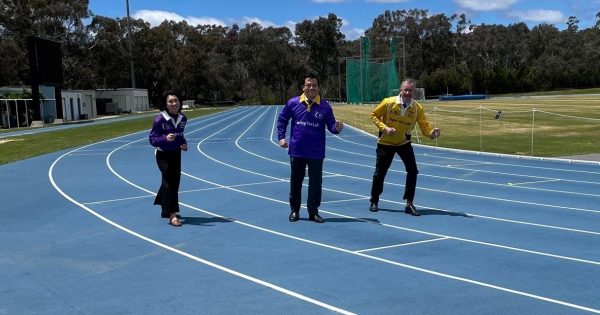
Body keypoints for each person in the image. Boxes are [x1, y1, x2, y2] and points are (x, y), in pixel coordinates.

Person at [277, 73, 344, 223]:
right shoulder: (293, 103)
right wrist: (281, 137)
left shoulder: (325, 106)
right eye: (308, 85)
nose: (311, 88)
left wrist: (337, 127)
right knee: (296, 182)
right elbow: (282, 120)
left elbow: (332, 127)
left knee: (315, 183)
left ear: (318, 88)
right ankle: (294, 210)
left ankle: (313, 212)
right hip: (297, 150)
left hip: (316, 152)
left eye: (314, 85)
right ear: (303, 87)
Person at [368, 79, 440, 216]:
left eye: (410, 90)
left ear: (414, 92)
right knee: (380, 173)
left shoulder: (417, 108)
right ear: (400, 90)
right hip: (385, 143)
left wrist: (432, 133)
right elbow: (374, 115)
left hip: (403, 143)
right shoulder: (388, 102)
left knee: (413, 170)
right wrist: (385, 128)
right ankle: (374, 200)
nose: (407, 93)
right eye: (405, 90)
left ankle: (409, 203)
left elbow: (424, 127)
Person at [149, 92, 188, 227]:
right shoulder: (159, 119)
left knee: (172, 182)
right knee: (170, 181)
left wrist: (183, 143)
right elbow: (152, 140)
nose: (174, 104)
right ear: (166, 104)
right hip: (163, 155)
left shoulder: (183, 118)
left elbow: (180, 135)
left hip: (176, 154)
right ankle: (172, 214)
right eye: (170, 101)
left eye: (176, 101)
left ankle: (165, 208)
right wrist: (165, 139)